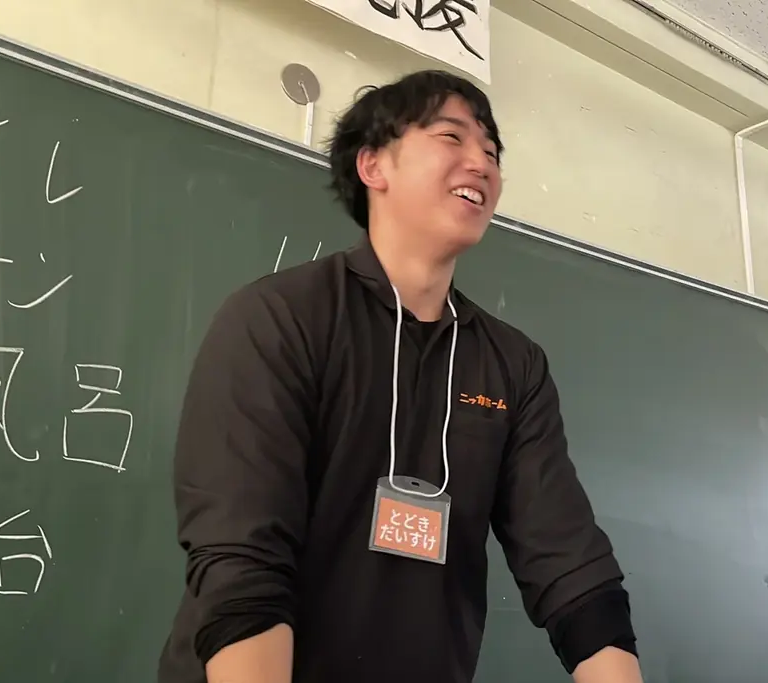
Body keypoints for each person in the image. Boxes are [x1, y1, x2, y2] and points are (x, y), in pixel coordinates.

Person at [158, 69, 642, 683]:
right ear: (373, 166)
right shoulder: (280, 318)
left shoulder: (512, 364)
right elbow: (242, 559)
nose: (481, 164)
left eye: (492, 152)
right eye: (452, 137)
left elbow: (569, 565)